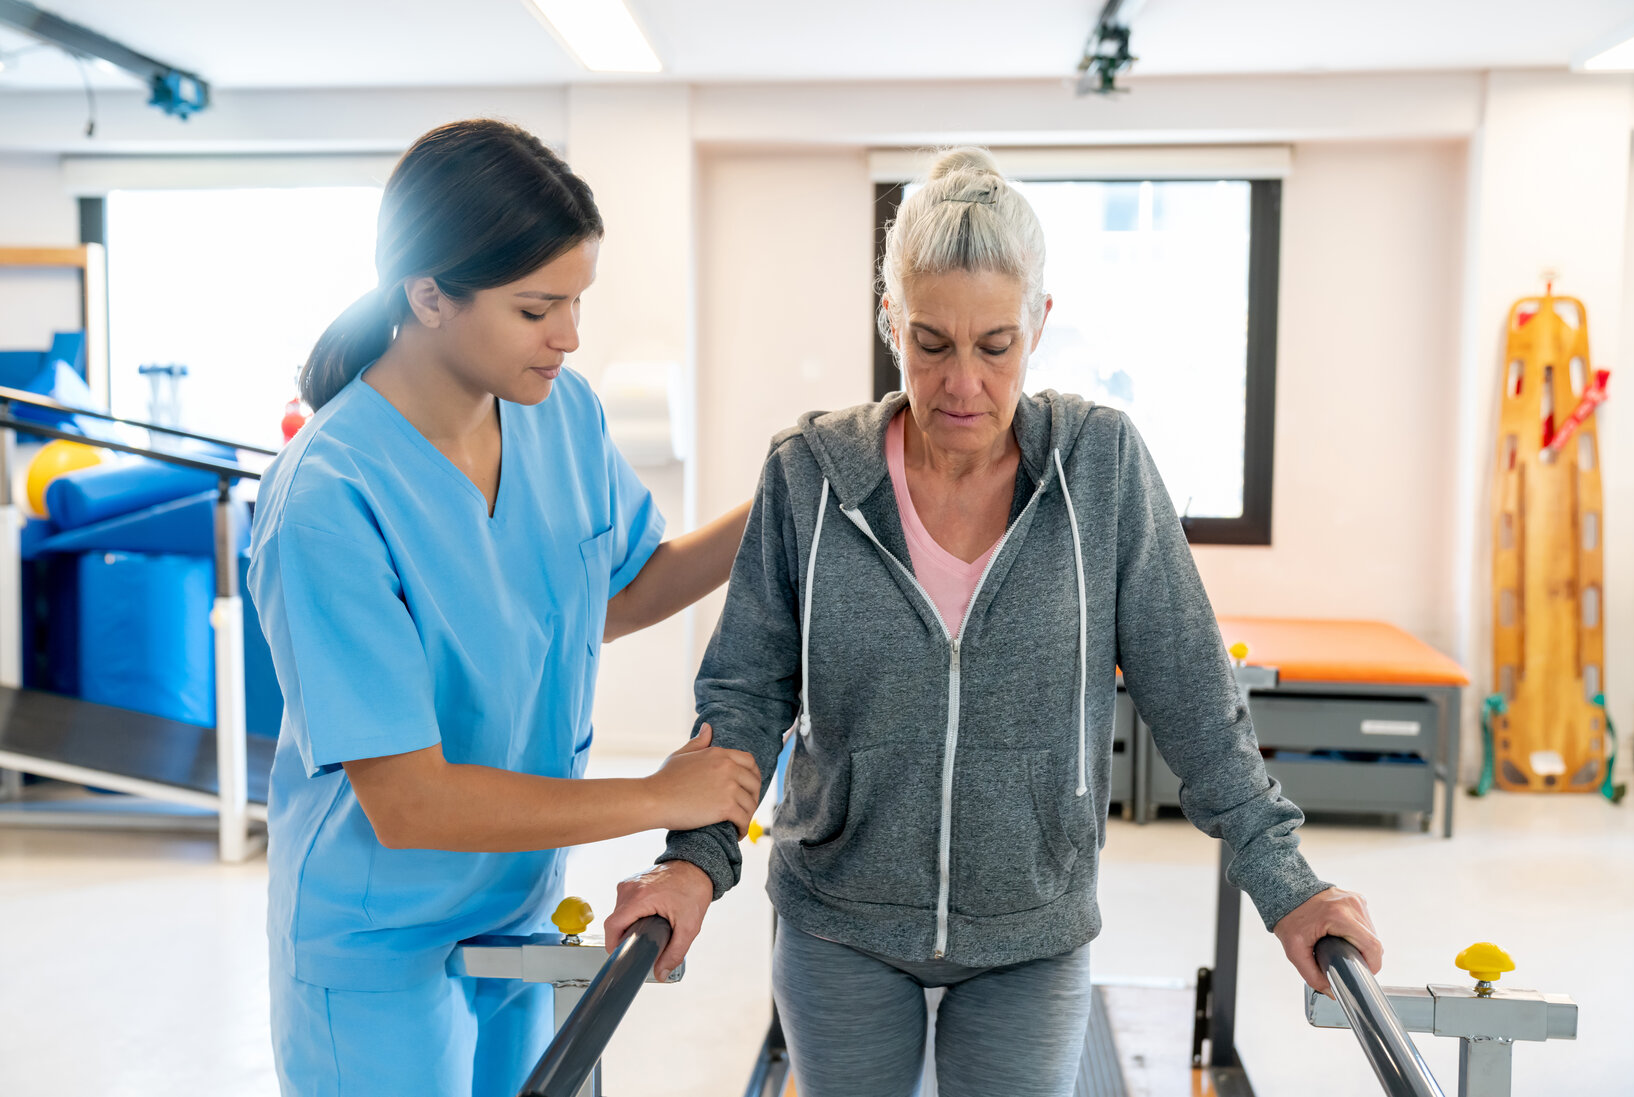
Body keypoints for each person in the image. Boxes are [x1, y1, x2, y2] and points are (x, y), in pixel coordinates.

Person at [606, 146, 1382, 1097]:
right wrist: (694, 860)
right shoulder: (808, 474)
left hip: (1031, 927)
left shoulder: (1100, 469)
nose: (961, 383)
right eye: (930, 342)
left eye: (994, 344)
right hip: (837, 919)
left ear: (1040, 325)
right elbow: (745, 691)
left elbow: (1192, 695)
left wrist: (1287, 882)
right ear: (890, 320)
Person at [249, 118, 758, 1097]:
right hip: (376, 943)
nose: (569, 336)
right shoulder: (328, 499)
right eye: (537, 308)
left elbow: (615, 593)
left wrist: (777, 501)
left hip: (518, 907)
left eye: (577, 301)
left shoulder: (558, 412)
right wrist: (660, 795)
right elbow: (412, 800)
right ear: (428, 294)